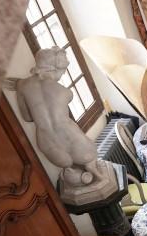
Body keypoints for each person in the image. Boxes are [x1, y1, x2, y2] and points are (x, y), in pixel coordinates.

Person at [16, 47, 110, 189]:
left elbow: (28, 117)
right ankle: (93, 173)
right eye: (64, 70)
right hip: (78, 144)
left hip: (48, 145)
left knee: (70, 172)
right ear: (55, 68)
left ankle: (78, 175)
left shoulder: (22, 85)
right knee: (89, 160)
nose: (64, 73)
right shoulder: (65, 92)